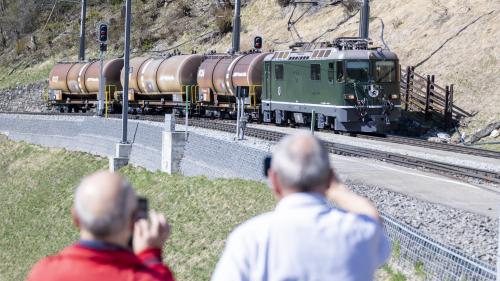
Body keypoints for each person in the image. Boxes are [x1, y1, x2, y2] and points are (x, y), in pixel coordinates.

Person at [211, 133, 391, 281]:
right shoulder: (358, 232)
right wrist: (337, 189)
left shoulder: (249, 239)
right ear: (329, 178)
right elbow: (372, 218)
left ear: (274, 180)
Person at [27, 171, 175, 281]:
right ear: (133, 221)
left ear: (76, 218)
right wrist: (150, 256)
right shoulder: (148, 278)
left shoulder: (43, 273)